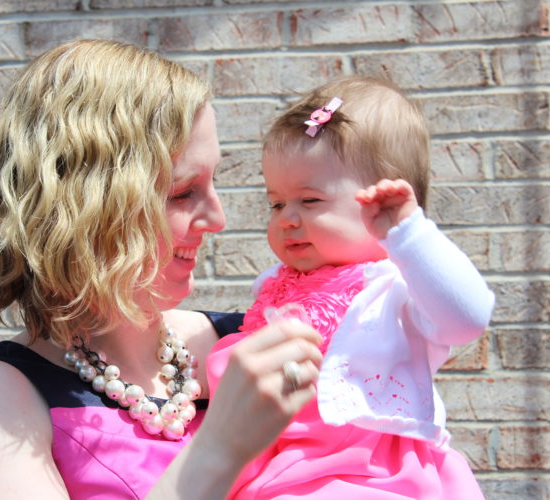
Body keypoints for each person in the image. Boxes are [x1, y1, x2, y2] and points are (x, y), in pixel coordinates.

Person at [0, 39, 324, 499]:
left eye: (212, 182)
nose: (217, 219)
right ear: (87, 209)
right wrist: (219, 448)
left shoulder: (245, 341)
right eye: (183, 193)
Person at [206, 76, 495, 499]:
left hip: (370, 475)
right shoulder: (274, 285)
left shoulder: (391, 290)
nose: (287, 217)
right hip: (274, 470)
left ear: (380, 206)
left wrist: (410, 236)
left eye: (310, 201)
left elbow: (466, 318)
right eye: (276, 203)